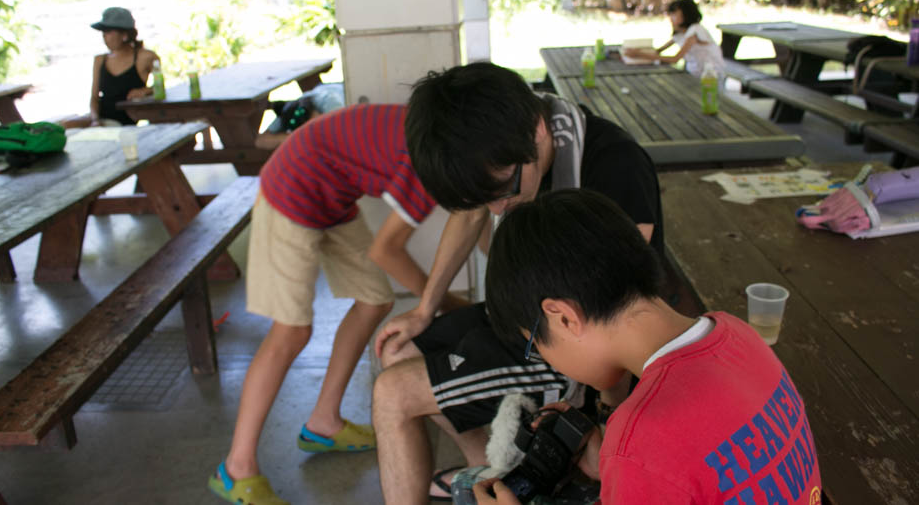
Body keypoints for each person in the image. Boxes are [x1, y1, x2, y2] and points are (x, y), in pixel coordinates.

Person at [372, 62, 663, 503]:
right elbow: (470, 213)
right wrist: (424, 309)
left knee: (393, 394)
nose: (495, 211)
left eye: (503, 192)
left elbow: (617, 314)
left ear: (538, 130)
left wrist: (607, 420)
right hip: (527, 313)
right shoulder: (508, 153)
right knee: (399, 350)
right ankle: (489, 467)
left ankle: (499, 471)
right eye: (483, 198)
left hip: (576, 341)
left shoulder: (612, 166)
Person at [471, 188, 822, 505]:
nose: (547, 359)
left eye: (534, 344)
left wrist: (626, 458)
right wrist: (611, 461)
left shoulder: (642, 440)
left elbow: (661, 452)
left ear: (563, 318)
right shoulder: (739, 334)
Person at [209, 104, 440, 505]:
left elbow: (474, 219)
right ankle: (236, 468)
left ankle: (323, 422)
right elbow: (388, 251)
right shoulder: (433, 163)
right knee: (292, 331)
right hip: (291, 190)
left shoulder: (445, 131)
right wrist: (438, 300)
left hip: (330, 194)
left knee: (374, 299)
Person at [63, 7, 159, 128]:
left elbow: (160, 87)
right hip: (99, 118)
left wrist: (146, 91)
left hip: (125, 121)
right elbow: (94, 97)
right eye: (103, 33)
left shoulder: (146, 57)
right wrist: (95, 120)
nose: (104, 36)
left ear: (124, 35)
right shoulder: (100, 60)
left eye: (108, 32)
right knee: (60, 126)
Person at [625, 0, 724, 77]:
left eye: (674, 14)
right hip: (694, 74)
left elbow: (675, 59)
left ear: (686, 15)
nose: (671, 18)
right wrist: (639, 51)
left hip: (711, 77)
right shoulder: (681, 33)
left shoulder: (695, 31)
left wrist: (639, 54)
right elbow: (658, 51)